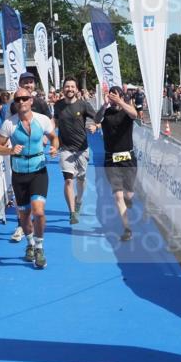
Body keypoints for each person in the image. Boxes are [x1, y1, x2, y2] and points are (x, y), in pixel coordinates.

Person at [0, 87, 58, 268]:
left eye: (24, 98)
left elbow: (54, 137)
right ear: (15, 103)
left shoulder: (42, 120)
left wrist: (55, 147)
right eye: (18, 99)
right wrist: (10, 150)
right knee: (24, 216)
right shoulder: (9, 124)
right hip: (19, 173)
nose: (21, 102)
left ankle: (39, 247)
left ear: (31, 100)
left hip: (38, 170)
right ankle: (29, 244)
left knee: (39, 212)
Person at [96, 86, 139, 242]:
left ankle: (129, 198)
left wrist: (121, 101)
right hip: (110, 159)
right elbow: (96, 119)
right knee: (118, 196)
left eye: (116, 95)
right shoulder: (106, 112)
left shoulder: (127, 111)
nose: (113, 98)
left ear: (121, 96)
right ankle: (127, 228)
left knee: (128, 194)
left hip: (128, 158)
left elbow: (134, 114)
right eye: (111, 95)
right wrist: (104, 105)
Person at [53, 78, 98, 225]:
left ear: (76, 89)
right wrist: (52, 140)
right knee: (68, 180)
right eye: (67, 86)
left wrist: (96, 126)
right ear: (63, 89)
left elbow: (98, 117)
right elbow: (55, 123)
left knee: (81, 179)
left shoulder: (83, 105)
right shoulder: (58, 106)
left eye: (72, 86)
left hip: (82, 149)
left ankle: (79, 200)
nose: (70, 89)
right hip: (65, 149)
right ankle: (72, 213)